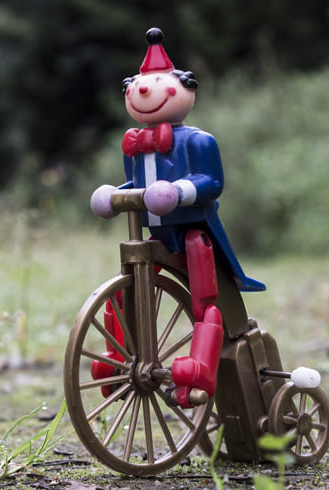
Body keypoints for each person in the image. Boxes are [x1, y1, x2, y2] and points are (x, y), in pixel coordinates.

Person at [89, 27, 263, 406]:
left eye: (155, 85)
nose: (144, 93)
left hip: (192, 230)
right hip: (154, 234)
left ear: (184, 90)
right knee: (130, 286)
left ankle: (200, 367)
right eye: (137, 87)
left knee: (205, 290)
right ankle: (119, 355)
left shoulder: (198, 141)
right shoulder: (134, 146)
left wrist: (180, 190)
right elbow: (134, 182)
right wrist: (114, 195)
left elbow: (211, 182)